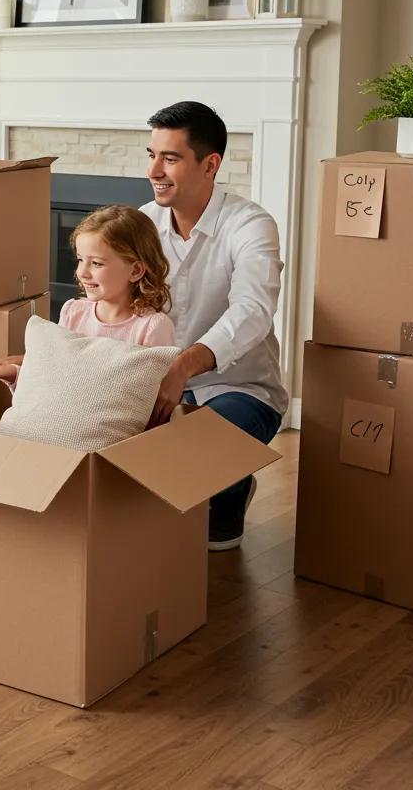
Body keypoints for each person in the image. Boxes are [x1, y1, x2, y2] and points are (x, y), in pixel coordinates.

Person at [141, 100, 287, 551]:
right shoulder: (142, 223)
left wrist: (184, 367)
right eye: (151, 155)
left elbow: (253, 310)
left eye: (170, 158)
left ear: (211, 164)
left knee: (202, 445)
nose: (154, 171)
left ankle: (230, 484)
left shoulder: (251, 224)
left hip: (240, 389)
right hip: (155, 381)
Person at [0, 204, 176, 385]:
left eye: (96, 263)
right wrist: (14, 373)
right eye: (80, 260)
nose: (82, 273)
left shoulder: (152, 327)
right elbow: (56, 377)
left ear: (135, 271)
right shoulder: (73, 312)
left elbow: (150, 396)